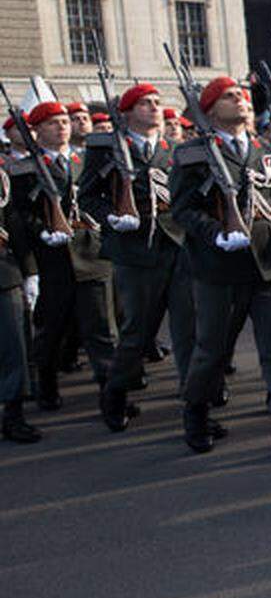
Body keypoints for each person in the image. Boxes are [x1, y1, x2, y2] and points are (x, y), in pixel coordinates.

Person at [168, 76, 271, 456]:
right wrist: (215, 233)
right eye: (229, 97)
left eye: (242, 96)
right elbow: (182, 209)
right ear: (210, 110)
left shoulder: (268, 151)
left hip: (269, 261)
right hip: (218, 266)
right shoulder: (192, 154)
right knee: (211, 347)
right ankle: (196, 410)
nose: (241, 101)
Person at [78, 82, 194, 434]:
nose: (154, 108)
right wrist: (111, 217)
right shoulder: (108, 150)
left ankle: (195, 404)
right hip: (134, 247)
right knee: (137, 330)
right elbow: (87, 195)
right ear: (126, 113)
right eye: (145, 103)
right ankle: (114, 392)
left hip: (176, 242)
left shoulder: (173, 149)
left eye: (157, 102)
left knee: (188, 329)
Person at [8, 101, 114, 414]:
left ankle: (110, 392)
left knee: (101, 330)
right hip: (53, 259)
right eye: (53, 123)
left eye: (64, 121)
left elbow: (101, 198)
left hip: (91, 253)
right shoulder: (23, 168)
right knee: (51, 329)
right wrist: (41, 230)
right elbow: (17, 214)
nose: (62, 126)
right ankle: (47, 384)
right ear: (37, 131)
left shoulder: (87, 161)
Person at [0, 160, 38, 442]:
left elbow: (14, 222)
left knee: (14, 347)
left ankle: (13, 415)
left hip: (3, 271)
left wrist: (29, 271)